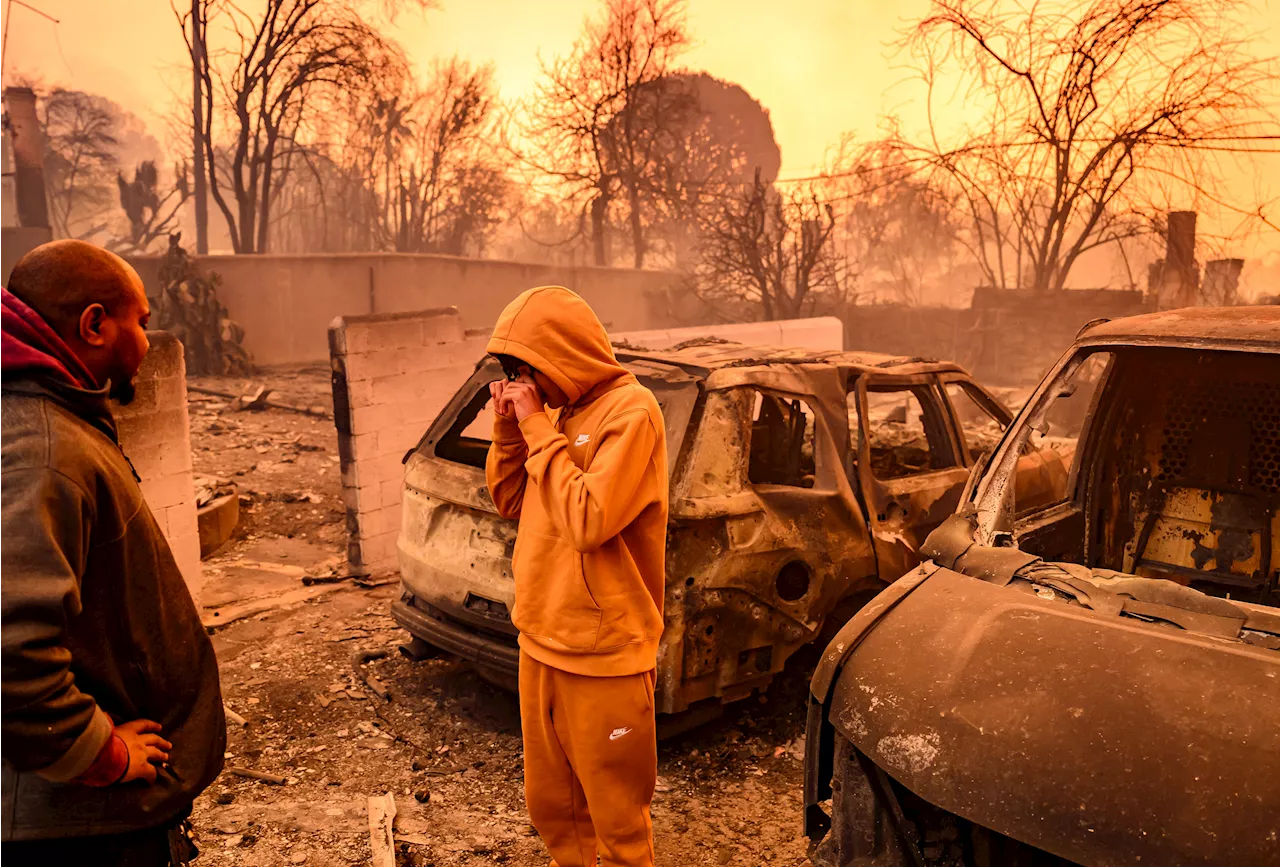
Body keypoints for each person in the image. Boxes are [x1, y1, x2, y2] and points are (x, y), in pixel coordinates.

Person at [0, 240, 225, 865]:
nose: (149, 344)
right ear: (95, 324)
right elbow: (10, 649)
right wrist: (102, 755)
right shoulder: (42, 451)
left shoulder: (47, 420)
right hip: (76, 828)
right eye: (142, 324)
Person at [486, 286, 668, 867]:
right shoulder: (560, 413)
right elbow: (509, 499)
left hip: (604, 654)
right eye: (512, 372)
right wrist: (510, 430)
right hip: (540, 641)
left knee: (616, 823)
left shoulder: (634, 412)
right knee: (554, 811)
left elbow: (589, 519)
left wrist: (538, 427)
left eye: (527, 369)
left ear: (564, 354)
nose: (523, 383)